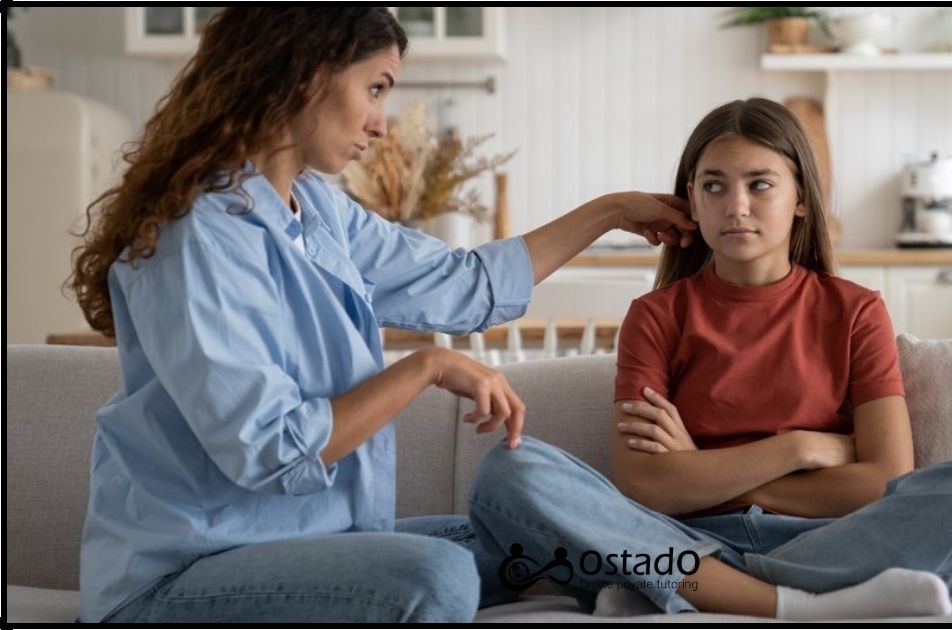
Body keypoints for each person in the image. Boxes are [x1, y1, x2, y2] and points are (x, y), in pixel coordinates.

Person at [68, 8, 695, 624]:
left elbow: (463, 286)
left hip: (306, 543)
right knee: (437, 574)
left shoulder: (314, 208)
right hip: (183, 573)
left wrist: (611, 210)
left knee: (540, 533)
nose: (380, 124)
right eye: (374, 89)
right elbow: (272, 450)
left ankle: (758, 579)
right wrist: (425, 366)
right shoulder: (195, 235)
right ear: (306, 73)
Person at [468, 98, 952, 620]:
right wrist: (799, 449)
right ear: (691, 199)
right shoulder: (657, 315)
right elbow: (646, 486)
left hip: (817, 542)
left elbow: (882, 478)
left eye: (760, 184)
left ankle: (684, 588)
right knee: (511, 472)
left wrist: (707, 475)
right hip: (678, 536)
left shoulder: (857, 311)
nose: (735, 207)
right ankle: (801, 607)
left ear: (801, 198)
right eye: (713, 187)